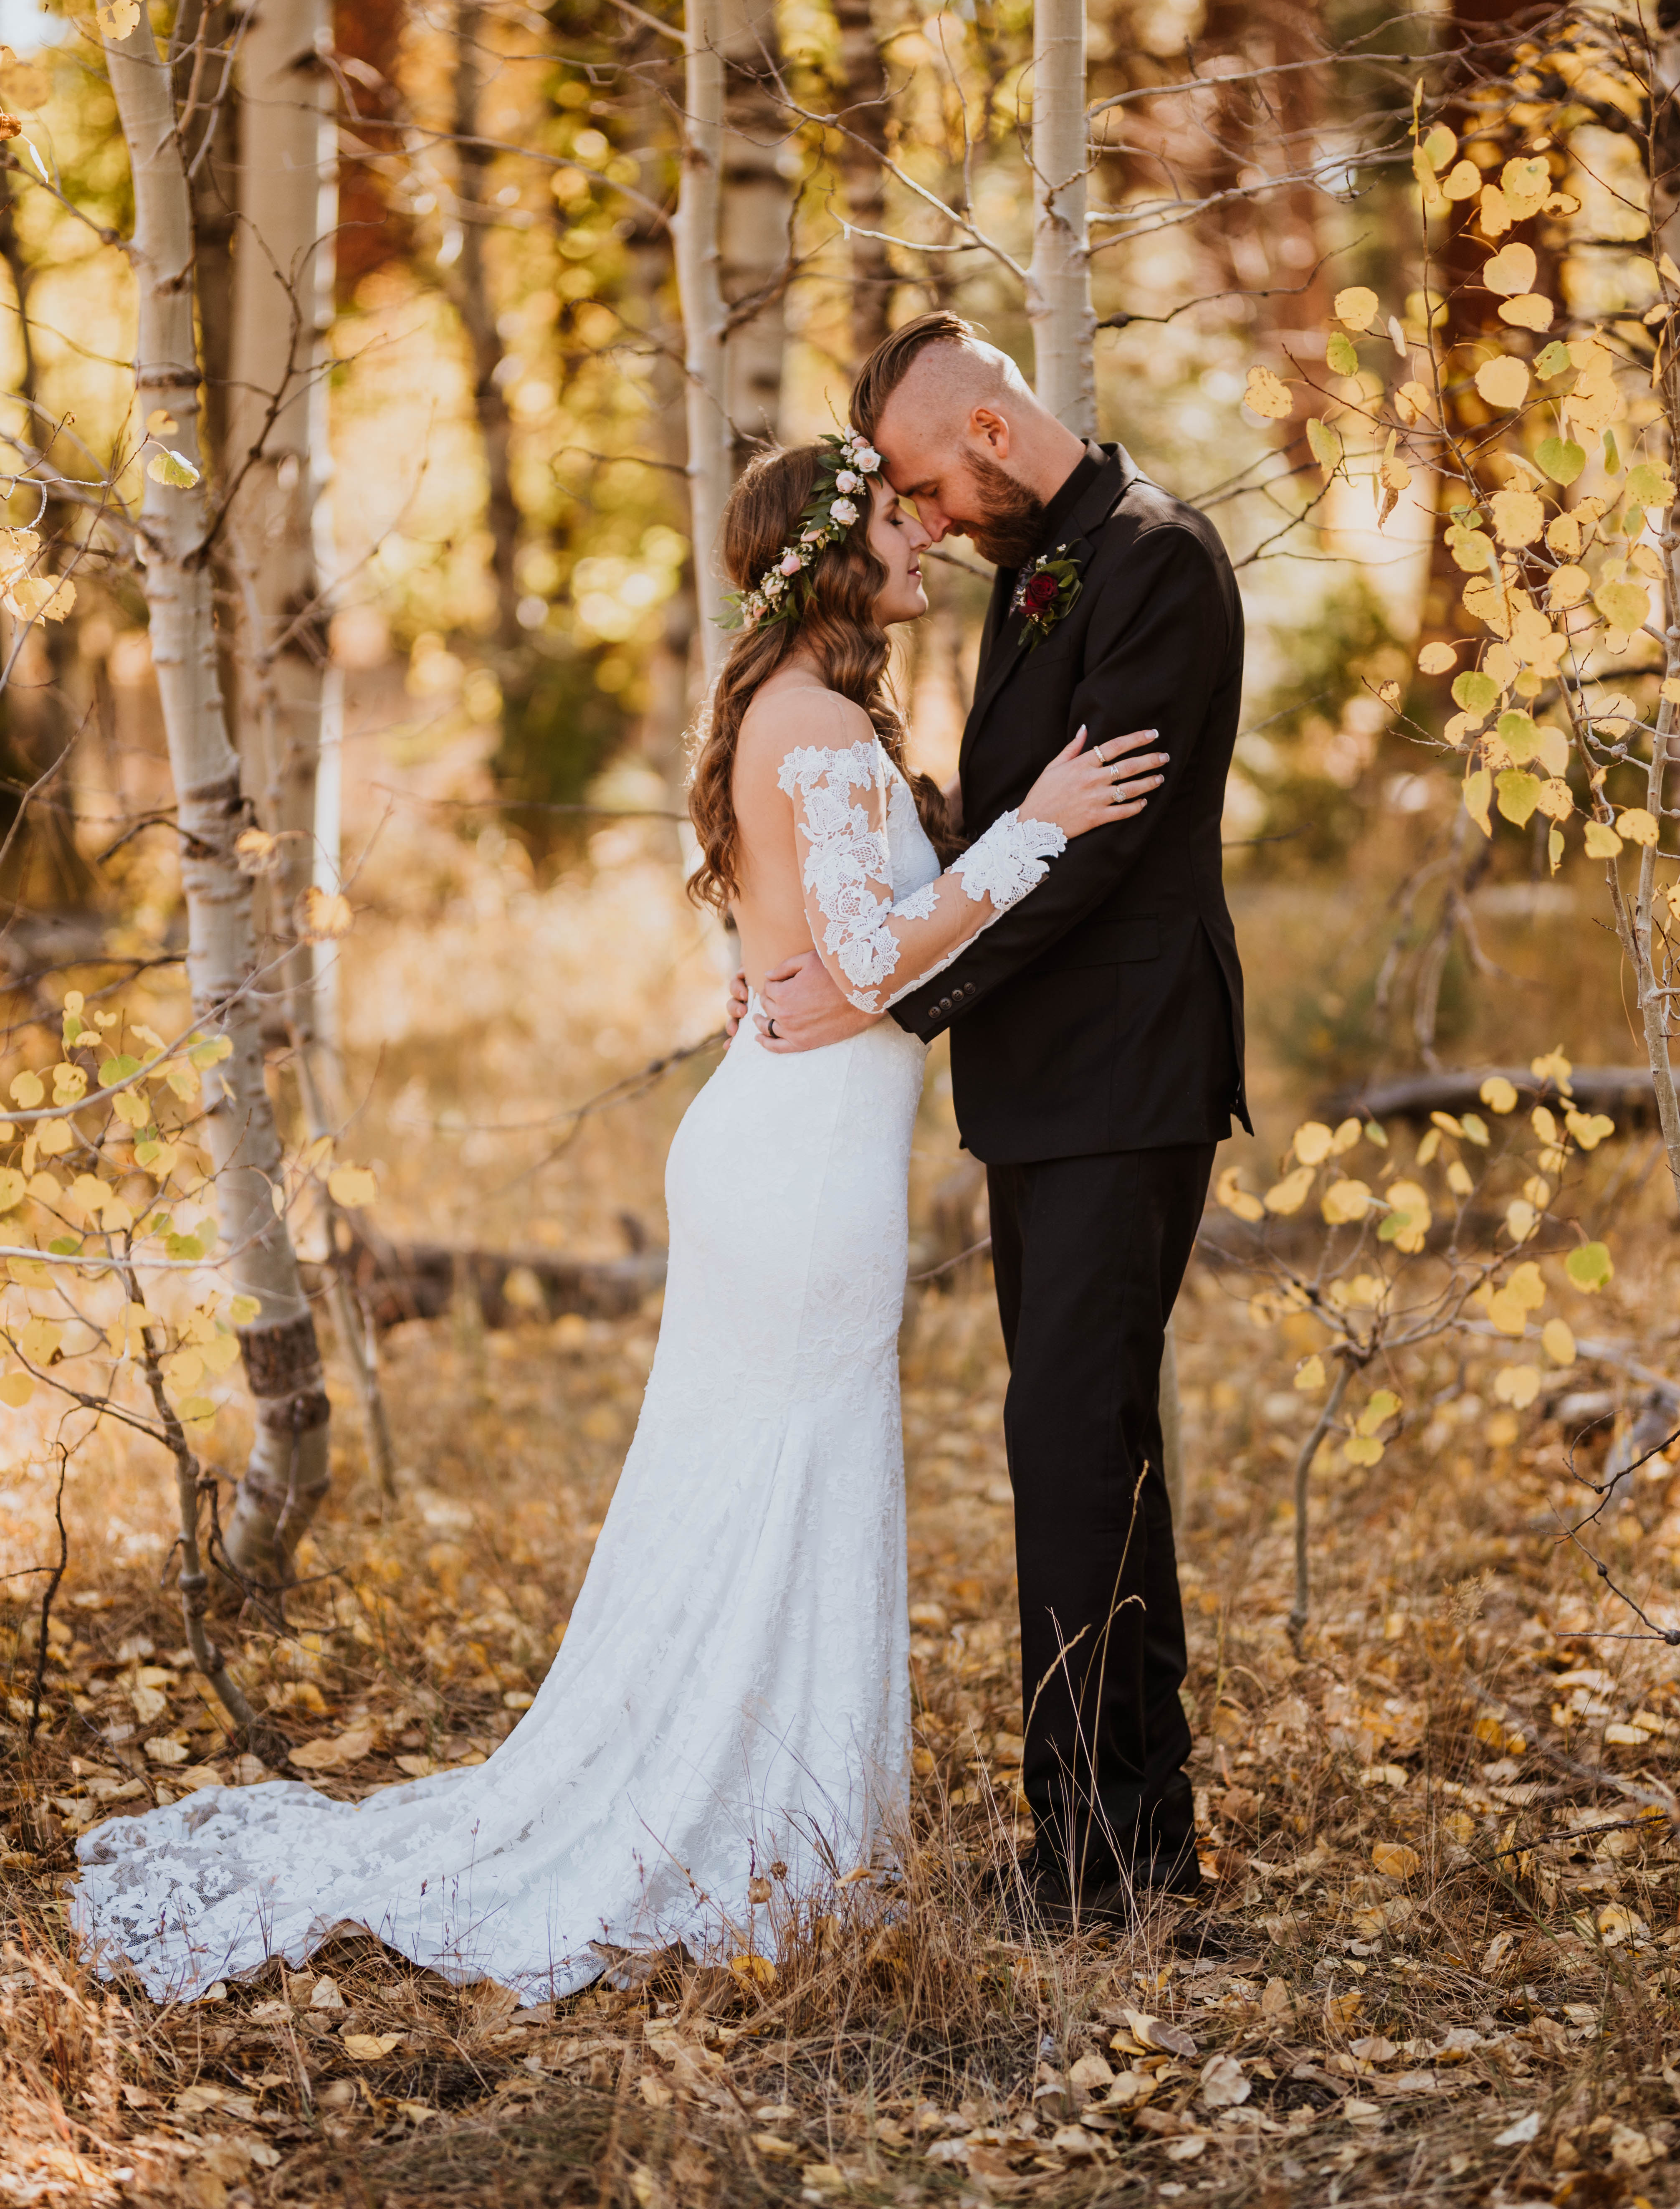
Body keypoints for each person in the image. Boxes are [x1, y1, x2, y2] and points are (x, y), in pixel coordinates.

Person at [71, 426, 1166, 2004]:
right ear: (839, 559)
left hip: (785, 1143)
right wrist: (1039, 820)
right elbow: (868, 966)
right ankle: (753, 1841)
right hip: (797, 1171)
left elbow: (816, 943)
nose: (929, 540)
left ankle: (773, 1821)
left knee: (753, 1483)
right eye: (899, 525)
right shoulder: (813, 729)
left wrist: (830, 944)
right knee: (781, 1479)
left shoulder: (803, 716)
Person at [728, 315, 1249, 1928]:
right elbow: (1012, 815)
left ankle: (1087, 1860)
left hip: (1124, 1075)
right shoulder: (1043, 568)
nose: (924, 519)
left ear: (992, 436)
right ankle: (1139, 1831)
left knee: (1068, 1447)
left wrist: (900, 997)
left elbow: (1100, 848)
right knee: (1096, 1442)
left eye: (921, 484)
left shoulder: (1156, 560)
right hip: (1049, 1092)